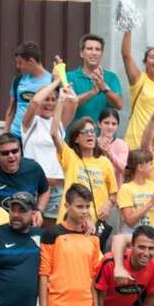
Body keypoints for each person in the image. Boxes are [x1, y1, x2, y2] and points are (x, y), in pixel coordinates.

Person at [50, 89, 117, 224]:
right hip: (70, 223)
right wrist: (61, 100)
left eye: (92, 131)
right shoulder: (71, 157)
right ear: (76, 139)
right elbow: (54, 133)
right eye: (85, 132)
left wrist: (109, 204)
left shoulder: (104, 162)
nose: (90, 134)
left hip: (95, 225)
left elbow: (114, 192)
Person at [21, 78, 74, 227]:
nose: (49, 103)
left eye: (53, 99)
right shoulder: (30, 122)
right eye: (46, 98)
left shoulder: (58, 123)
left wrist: (64, 81)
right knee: (30, 230)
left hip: (57, 188)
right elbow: (34, 102)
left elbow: (74, 102)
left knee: (52, 233)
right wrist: (56, 81)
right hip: (34, 188)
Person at [0, 134, 49, 225]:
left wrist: (39, 211)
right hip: (0, 226)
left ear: (20, 150)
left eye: (15, 151)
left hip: (28, 225)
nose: (11, 155)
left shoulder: (33, 168)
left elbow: (45, 190)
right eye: (5, 153)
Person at [66, 33, 123, 124]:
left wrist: (103, 87)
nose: (94, 53)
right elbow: (67, 105)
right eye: (89, 49)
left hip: (103, 133)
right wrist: (93, 92)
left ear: (102, 54)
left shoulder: (111, 77)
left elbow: (119, 105)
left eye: (98, 49)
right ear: (81, 53)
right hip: (75, 132)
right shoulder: (69, 77)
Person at [4, 41, 53, 140]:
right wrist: (5, 133)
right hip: (16, 135)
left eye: (20, 63)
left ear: (31, 61)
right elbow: (11, 108)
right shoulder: (18, 80)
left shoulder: (52, 81)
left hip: (37, 137)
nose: (18, 66)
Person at [116, 148, 154, 234]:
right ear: (140, 167)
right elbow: (129, 220)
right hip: (132, 233)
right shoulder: (125, 188)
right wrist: (151, 203)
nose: (153, 167)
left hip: (152, 233)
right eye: (150, 164)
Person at [96, 108, 129, 188]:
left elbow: (123, 169)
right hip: (95, 187)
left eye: (114, 124)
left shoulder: (122, 144)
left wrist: (111, 154)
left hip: (115, 189)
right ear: (99, 124)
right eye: (106, 123)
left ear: (117, 126)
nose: (110, 127)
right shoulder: (92, 142)